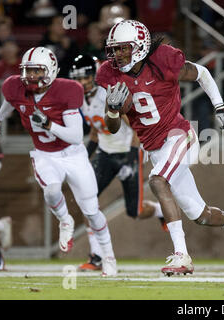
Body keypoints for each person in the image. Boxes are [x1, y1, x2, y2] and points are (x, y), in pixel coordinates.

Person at [97, 20, 224, 276]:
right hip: (155, 149)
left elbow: (203, 74)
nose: (117, 54)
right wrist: (111, 108)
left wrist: (220, 108)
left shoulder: (163, 60)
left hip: (179, 136)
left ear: (140, 47)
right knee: (201, 215)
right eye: (115, 49)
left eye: (123, 48)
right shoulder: (109, 74)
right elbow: (111, 127)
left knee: (157, 180)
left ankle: (181, 256)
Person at [0, 46, 117, 276]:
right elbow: (10, 101)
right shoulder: (13, 86)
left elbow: (74, 136)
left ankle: (109, 256)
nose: (30, 76)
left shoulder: (68, 90)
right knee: (51, 191)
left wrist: (49, 124)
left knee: (92, 211)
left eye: (36, 71)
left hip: (73, 154)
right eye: (27, 71)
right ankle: (65, 220)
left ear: (50, 70)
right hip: (44, 154)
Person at [68, 54, 166, 271]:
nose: (83, 82)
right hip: (105, 152)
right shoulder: (81, 98)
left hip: (127, 151)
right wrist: (82, 156)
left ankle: (160, 210)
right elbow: (95, 131)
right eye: (78, 78)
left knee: (135, 212)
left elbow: (136, 127)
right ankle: (96, 256)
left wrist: (130, 160)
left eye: (86, 77)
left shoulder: (109, 93)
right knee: (87, 201)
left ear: (95, 74)